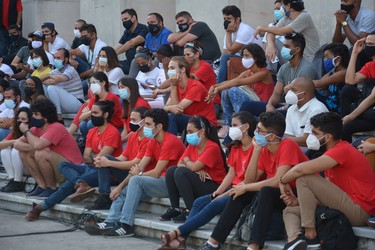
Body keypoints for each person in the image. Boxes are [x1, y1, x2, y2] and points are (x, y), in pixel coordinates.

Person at [198, 111, 309, 250]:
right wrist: (256, 151)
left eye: (260, 130)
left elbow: (278, 181)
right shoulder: (264, 149)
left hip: (297, 193)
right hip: (281, 193)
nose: (255, 132)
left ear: (272, 136)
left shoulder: (287, 145)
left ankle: (254, 246)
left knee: (265, 191)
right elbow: (250, 180)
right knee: (239, 192)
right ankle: (213, 243)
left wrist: (246, 187)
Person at [158, 111, 257, 250]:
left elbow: (249, 179)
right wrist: (218, 192)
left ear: (246, 127)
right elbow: (231, 174)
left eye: (234, 125)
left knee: (210, 204)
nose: (231, 128)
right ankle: (181, 239)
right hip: (231, 188)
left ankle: (176, 233)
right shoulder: (236, 147)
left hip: (244, 191)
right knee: (199, 201)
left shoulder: (256, 148)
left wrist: (220, 194)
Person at [83, 109, 185, 238]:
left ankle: (126, 225)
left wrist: (139, 174)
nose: (145, 127)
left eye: (148, 124)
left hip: (170, 185)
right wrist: (120, 187)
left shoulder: (170, 141)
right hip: (154, 182)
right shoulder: (153, 141)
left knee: (136, 180)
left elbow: (157, 172)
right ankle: (110, 221)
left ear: (159, 126)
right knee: (123, 190)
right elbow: (139, 167)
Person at [280, 112, 375, 249]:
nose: (310, 137)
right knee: (290, 210)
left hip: (360, 210)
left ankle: (310, 235)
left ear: (328, 137)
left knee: (304, 178)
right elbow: (329, 196)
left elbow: (300, 170)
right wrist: (299, 202)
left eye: (315, 133)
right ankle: (294, 241)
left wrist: (282, 181)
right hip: (346, 204)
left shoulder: (342, 150)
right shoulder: (329, 155)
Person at [25, 100, 123, 221]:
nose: (91, 115)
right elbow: (85, 157)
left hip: (106, 172)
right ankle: (80, 183)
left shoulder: (112, 132)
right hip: (90, 167)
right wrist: (92, 156)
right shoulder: (92, 131)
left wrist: (92, 156)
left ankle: (40, 208)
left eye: (95, 113)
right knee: (63, 165)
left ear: (105, 115)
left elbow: (100, 159)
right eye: (91, 112)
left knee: (68, 185)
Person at [160, 116, 227, 223]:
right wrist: (195, 169)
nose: (188, 135)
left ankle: (191, 211)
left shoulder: (212, 147)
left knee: (180, 172)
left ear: (202, 132)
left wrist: (190, 164)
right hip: (201, 181)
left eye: (191, 131)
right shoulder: (192, 145)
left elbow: (190, 165)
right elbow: (179, 163)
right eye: (187, 132)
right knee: (171, 170)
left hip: (215, 186)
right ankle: (175, 208)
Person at [82, 106, 150, 210]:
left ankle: (104, 196)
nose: (130, 122)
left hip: (139, 174)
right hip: (128, 172)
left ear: (144, 121)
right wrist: (105, 161)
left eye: (134, 120)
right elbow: (123, 157)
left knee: (104, 159)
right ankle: (104, 195)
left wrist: (109, 163)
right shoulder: (133, 136)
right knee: (103, 158)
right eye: (130, 119)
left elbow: (135, 163)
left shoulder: (148, 139)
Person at [14, 99, 82, 199]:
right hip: (58, 166)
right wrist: (32, 146)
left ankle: (51, 188)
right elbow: (17, 144)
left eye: (36, 114)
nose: (32, 117)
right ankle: (42, 186)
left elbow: (38, 146)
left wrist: (26, 131)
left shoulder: (56, 127)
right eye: (32, 114)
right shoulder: (36, 129)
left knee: (41, 153)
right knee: (25, 153)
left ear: (45, 117)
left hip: (72, 169)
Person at [240, 33, 318, 116]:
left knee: (273, 116)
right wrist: (269, 105)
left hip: (299, 109)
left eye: (287, 47)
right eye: (283, 46)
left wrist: (281, 108)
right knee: (247, 105)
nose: (283, 49)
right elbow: (277, 93)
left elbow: (302, 99)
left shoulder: (306, 68)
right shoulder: (284, 68)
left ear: (297, 49)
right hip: (284, 106)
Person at [207, 43, 274, 138]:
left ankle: (241, 123)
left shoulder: (264, 73)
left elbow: (238, 82)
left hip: (261, 107)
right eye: (243, 56)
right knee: (227, 89)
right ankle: (227, 124)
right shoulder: (248, 72)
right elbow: (232, 81)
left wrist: (218, 89)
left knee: (233, 90)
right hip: (250, 104)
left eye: (247, 56)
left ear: (255, 58)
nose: (244, 59)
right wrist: (214, 86)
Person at [255, 0, 319, 64]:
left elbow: (281, 31)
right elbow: (271, 32)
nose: (282, 8)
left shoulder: (304, 16)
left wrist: (261, 28)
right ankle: (270, 71)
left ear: (288, 6)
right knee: (272, 41)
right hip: (294, 56)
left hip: (309, 59)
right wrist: (271, 46)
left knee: (275, 41)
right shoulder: (286, 18)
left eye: (283, 5)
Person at [164, 56, 217, 135]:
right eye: (168, 68)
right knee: (162, 118)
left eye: (172, 68)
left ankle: (171, 145)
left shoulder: (195, 86)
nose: (169, 71)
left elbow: (177, 110)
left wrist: (173, 85)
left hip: (206, 125)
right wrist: (169, 107)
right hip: (191, 121)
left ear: (182, 69)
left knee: (172, 117)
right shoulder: (176, 86)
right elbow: (166, 108)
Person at [342, 34, 375, 142]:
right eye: (367, 44)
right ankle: (346, 119)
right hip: (367, 106)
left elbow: (372, 98)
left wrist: (351, 117)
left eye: (371, 44)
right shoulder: (370, 65)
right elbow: (350, 80)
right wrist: (355, 53)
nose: (368, 47)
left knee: (348, 126)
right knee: (347, 90)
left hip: (372, 110)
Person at [217, 5, 262, 84]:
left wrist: (228, 32)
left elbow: (230, 52)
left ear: (237, 19)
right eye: (224, 19)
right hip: (241, 59)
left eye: (229, 19)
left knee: (225, 58)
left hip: (254, 60)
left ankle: (219, 88)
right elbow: (225, 52)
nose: (226, 21)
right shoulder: (230, 32)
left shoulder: (245, 30)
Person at [76, 72, 123, 141]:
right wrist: (93, 112)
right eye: (90, 83)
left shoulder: (111, 97)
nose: (92, 85)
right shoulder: (94, 98)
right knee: (82, 124)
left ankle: (97, 143)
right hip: (101, 123)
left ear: (103, 83)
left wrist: (90, 112)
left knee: (90, 123)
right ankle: (88, 143)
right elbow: (81, 118)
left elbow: (103, 117)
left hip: (115, 127)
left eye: (94, 82)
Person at [40, 48, 83, 122]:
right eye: (55, 58)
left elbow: (57, 80)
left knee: (51, 88)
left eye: (58, 58)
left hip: (77, 103)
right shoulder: (56, 71)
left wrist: (49, 77)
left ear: (66, 60)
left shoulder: (71, 70)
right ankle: (51, 112)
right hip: (65, 104)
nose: (56, 60)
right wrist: (49, 77)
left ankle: (58, 116)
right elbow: (40, 79)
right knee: (44, 86)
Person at [284, 77, 328, 149]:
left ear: (303, 94)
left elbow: (307, 139)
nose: (289, 93)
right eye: (290, 89)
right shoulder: (291, 109)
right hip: (296, 147)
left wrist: (285, 141)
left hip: (314, 150)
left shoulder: (317, 109)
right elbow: (288, 135)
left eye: (293, 90)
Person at [182, 41, 220, 114]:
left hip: (211, 104)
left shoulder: (205, 66)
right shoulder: (189, 67)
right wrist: (161, 89)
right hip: (198, 103)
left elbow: (191, 79)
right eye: (184, 55)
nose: (185, 58)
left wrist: (179, 72)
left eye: (188, 55)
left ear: (197, 54)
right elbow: (174, 81)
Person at [0, 107, 31, 192]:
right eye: (18, 118)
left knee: (16, 150)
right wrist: (13, 141)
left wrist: (16, 143)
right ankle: (12, 179)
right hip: (17, 166)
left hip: (30, 166)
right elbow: (1, 144)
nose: (20, 121)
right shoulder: (15, 130)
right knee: (5, 150)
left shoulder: (32, 130)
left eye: (23, 119)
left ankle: (18, 181)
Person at [313, 43, 350, 113]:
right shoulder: (332, 72)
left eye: (327, 57)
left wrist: (300, 82)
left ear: (338, 59)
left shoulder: (344, 72)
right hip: (330, 103)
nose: (325, 60)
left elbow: (319, 84)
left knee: (310, 91)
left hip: (338, 107)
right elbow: (321, 85)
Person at [114, 8, 148, 75]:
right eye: (122, 20)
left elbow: (131, 43)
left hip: (139, 64)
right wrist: (107, 54)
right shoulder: (127, 32)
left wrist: (114, 54)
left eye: (126, 19)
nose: (124, 22)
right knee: (110, 64)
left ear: (133, 18)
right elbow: (118, 45)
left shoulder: (143, 28)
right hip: (128, 62)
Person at [117, 77, 151, 143]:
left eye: (122, 87)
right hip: (129, 137)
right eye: (119, 88)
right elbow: (125, 129)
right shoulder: (126, 105)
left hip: (140, 137)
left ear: (131, 87)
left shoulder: (140, 104)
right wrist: (119, 141)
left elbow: (137, 129)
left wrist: (122, 141)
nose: (120, 90)